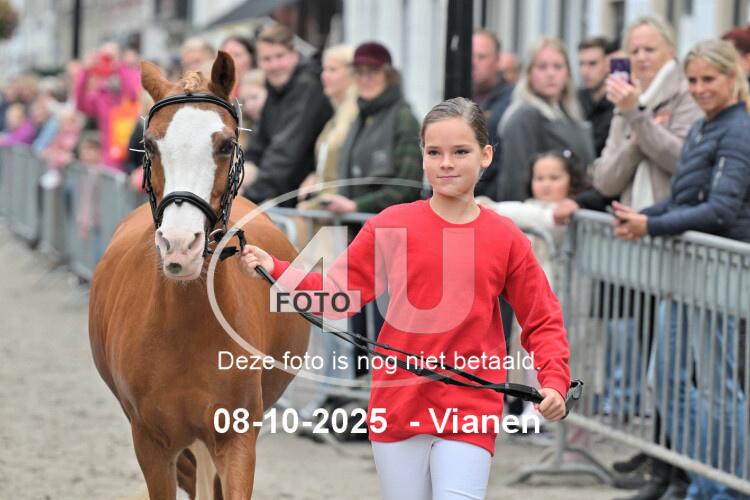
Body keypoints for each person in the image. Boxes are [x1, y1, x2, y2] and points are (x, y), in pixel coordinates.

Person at [239, 97, 571, 500]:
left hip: (471, 407)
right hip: (399, 404)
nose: (446, 163)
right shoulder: (391, 224)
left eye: (460, 152)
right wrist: (274, 268)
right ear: (422, 156)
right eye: (435, 152)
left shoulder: (506, 237)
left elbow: (542, 318)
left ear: (485, 156)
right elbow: (335, 294)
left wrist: (555, 381)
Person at [612, 39, 750, 500]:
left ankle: (730, 487)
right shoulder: (704, 126)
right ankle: (705, 480)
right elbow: (685, 196)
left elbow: (721, 209)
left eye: (709, 79)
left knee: (718, 387)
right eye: (692, 80)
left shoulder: (739, 130)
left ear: (731, 77)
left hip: (721, 271)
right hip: (689, 271)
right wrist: (642, 215)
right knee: (666, 380)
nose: (699, 88)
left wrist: (650, 225)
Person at [592, 16, 703, 214]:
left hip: (673, 221)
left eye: (650, 50)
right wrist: (636, 145)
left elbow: (682, 161)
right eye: (634, 51)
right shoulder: (625, 100)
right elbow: (604, 182)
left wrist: (636, 117)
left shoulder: (687, 93)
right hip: (631, 222)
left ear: (671, 51)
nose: (641, 57)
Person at [320, 41, 422, 214]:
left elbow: (407, 185)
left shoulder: (403, 118)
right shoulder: (360, 117)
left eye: (373, 72)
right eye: (359, 73)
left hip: (389, 225)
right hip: (355, 223)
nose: (365, 79)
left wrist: (357, 206)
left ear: (389, 75)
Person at [243, 24, 332, 207]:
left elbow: (287, 150)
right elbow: (259, 142)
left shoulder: (307, 85)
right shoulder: (276, 87)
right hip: (288, 193)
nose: (274, 65)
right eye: (267, 59)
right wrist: (245, 169)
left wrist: (249, 198)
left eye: (280, 56)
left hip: (308, 198)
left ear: (294, 55)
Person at [497, 37, 594, 202]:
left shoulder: (571, 113)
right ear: (529, 73)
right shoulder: (523, 116)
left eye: (558, 66)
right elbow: (515, 182)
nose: (551, 74)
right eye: (542, 67)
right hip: (539, 214)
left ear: (568, 73)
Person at [297, 44, 358, 207]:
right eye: (324, 69)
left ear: (352, 74)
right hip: (324, 205)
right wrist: (316, 176)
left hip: (336, 209)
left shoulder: (356, 116)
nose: (324, 76)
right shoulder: (337, 115)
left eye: (332, 70)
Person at [73, 42, 141, 170]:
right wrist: (85, 72)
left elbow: (135, 94)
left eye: (110, 57)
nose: (107, 61)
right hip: (111, 162)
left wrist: (119, 67)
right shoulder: (102, 95)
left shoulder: (131, 76)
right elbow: (81, 105)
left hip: (135, 159)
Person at [472, 29, 513, 200]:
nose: (473, 63)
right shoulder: (457, 96)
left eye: (481, 57)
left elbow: (506, 164)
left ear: (497, 61)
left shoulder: (510, 103)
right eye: (470, 56)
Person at [577, 36, 615, 156]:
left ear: (608, 64)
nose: (585, 71)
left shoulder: (618, 104)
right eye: (581, 64)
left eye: (592, 64)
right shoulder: (575, 101)